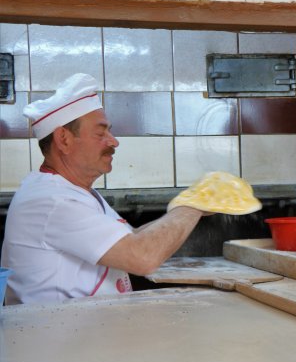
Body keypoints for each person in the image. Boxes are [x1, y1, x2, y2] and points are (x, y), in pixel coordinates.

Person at [0, 74, 209, 304]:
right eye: (101, 133)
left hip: (85, 329)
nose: (114, 141)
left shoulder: (75, 191)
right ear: (64, 139)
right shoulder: (52, 201)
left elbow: (131, 238)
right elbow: (142, 257)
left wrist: (189, 205)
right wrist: (191, 207)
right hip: (60, 336)